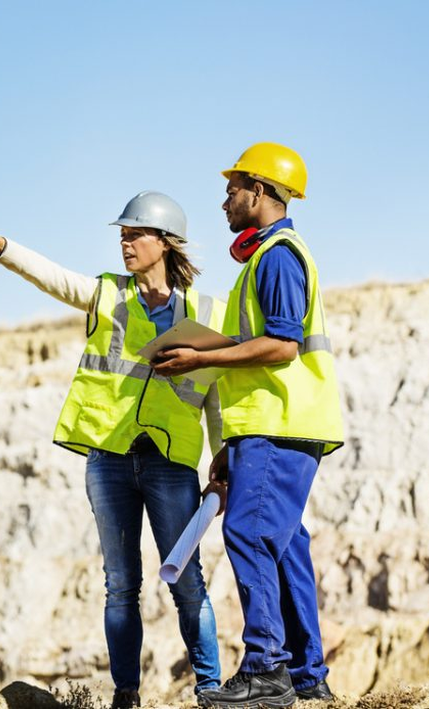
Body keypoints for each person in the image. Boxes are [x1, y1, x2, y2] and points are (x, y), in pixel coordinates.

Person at [0, 191, 225, 708]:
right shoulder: (108, 295)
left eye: (134, 235)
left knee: (187, 582)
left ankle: (210, 690)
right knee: (121, 586)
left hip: (171, 463)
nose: (124, 243)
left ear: (164, 243)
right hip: (109, 457)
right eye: (121, 235)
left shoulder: (210, 310)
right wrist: (0, 246)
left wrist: (224, 452)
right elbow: (51, 277)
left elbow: (216, 391)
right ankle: (127, 695)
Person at [152, 143, 345, 707]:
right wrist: (230, 444)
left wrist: (201, 358)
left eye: (233, 189)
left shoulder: (279, 256)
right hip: (269, 426)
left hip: (278, 424)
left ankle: (265, 669)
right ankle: (307, 677)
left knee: (249, 535)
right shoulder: (268, 258)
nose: (225, 200)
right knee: (284, 548)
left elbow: (283, 345)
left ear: (259, 191)